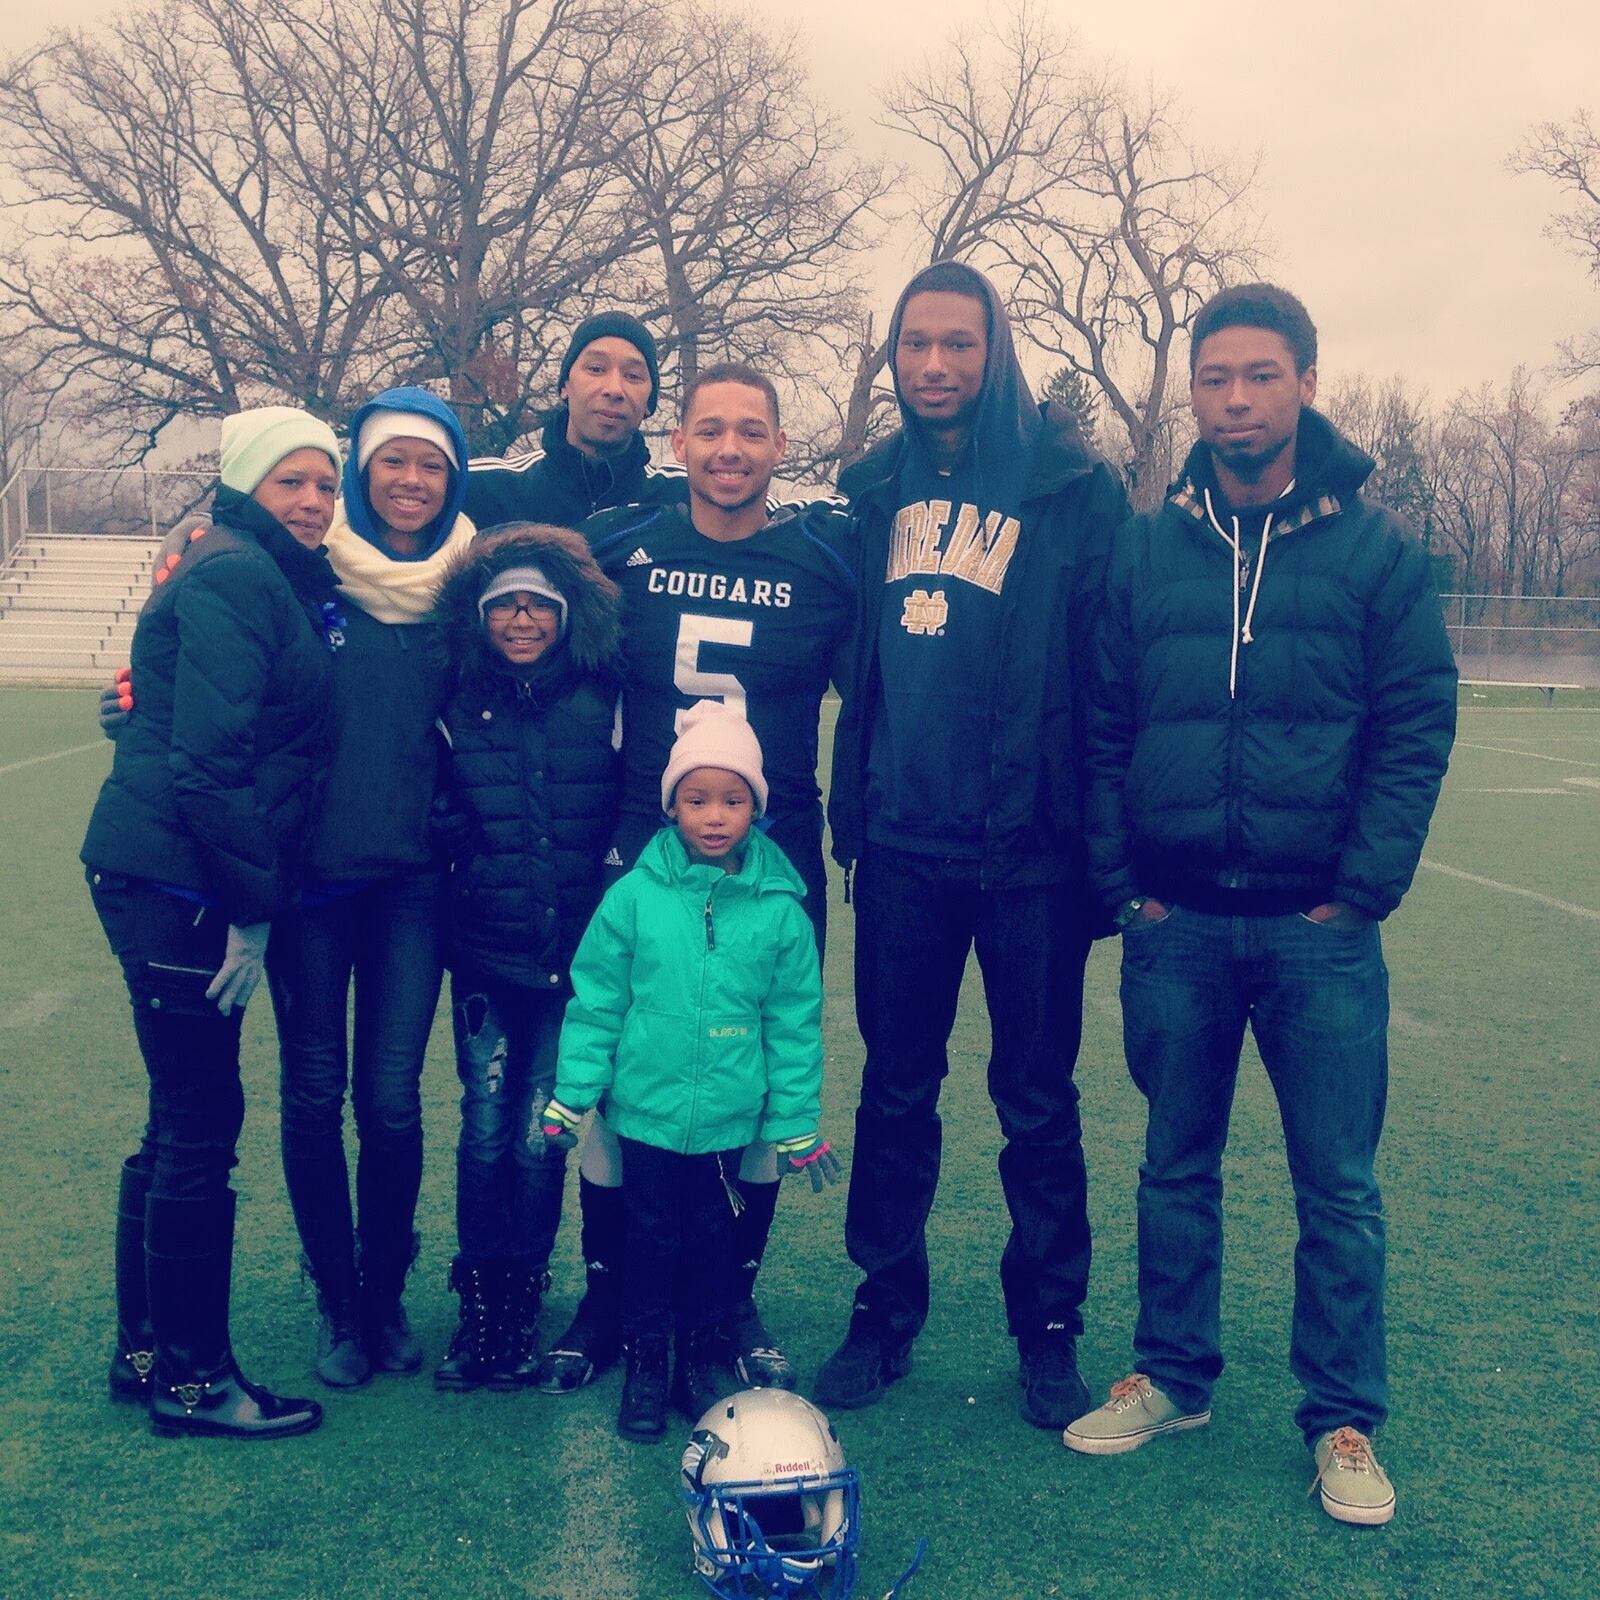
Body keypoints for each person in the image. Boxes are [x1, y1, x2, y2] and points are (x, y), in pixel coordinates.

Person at [1068, 283, 1457, 1527]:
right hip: (1173, 923)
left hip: (1316, 934)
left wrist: (1361, 890)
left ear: (1303, 382)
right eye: (1213, 378)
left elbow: (1413, 727)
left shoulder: (1377, 554)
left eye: (1259, 376)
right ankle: (1172, 1375)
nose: (1233, 399)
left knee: (1335, 1184)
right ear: (1192, 391)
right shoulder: (1143, 546)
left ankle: (1341, 1417)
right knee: (1173, 1167)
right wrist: (1123, 885)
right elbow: (1100, 722)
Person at [817, 260, 1128, 1431]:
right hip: (900, 849)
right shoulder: (869, 491)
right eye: (914, 346)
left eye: (957, 344)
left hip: (1032, 857)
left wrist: (1101, 853)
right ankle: (882, 1307)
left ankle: (1046, 1329)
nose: (934, 366)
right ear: (893, 358)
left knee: (1036, 1101)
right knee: (896, 1092)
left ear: (995, 351)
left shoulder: (1071, 488)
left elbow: (1106, 686)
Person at [532, 362, 855, 1400]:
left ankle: (730, 1298)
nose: (729, 448)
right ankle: (608, 1288)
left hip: (775, 857)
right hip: (643, 852)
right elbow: (504, 558)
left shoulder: (824, 560)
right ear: (679, 441)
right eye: (709, 429)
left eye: (750, 431)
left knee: (754, 1079)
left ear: (778, 444)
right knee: (630, 1074)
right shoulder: (621, 543)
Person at [84, 406, 343, 1439]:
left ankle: (146, 1348)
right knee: (200, 1126)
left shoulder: (241, 559)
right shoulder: (239, 570)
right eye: (294, 483)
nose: (316, 502)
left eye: (327, 483)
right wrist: (250, 909)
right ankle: (192, 1382)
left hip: (157, 870)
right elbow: (208, 758)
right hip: (179, 882)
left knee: (174, 1119)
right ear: (248, 483)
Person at [540, 702, 840, 1442]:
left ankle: (701, 1358)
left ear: (757, 808)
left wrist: (795, 1121)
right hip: (644, 1113)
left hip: (728, 1121)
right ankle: (647, 1358)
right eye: (697, 799)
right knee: (647, 1240)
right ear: (671, 803)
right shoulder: (633, 898)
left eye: (733, 800)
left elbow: (793, 1024)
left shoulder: (781, 911)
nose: (715, 817)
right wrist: (573, 1094)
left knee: (711, 1242)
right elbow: (597, 1002)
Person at [269, 386, 470, 1388]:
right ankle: (335, 1299)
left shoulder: (466, 587)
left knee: (389, 1102)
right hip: (307, 888)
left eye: (430, 465)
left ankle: (385, 1293)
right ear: (361, 467)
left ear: (453, 479)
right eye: (393, 459)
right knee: (313, 1094)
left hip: (408, 889)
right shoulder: (306, 575)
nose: (410, 480)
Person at [426, 522, 623, 1391]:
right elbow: (422, 790)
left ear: (565, 612)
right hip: (486, 954)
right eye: (503, 603)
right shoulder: (454, 696)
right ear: (480, 614)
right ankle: (481, 1297)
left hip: (573, 960)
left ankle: (522, 1295)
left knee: (546, 1131)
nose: (520, 619)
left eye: (537, 605)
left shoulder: (602, 695)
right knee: (486, 1121)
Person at [465, 312, 676, 530]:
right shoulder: (480, 489)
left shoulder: (684, 498)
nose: (614, 389)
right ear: (565, 385)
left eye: (633, 375)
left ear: (649, 403)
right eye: (596, 369)